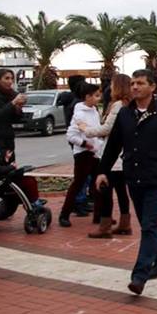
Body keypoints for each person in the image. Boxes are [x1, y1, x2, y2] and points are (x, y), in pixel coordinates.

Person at [96, 69, 157, 296]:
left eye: (140, 83)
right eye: (132, 83)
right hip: (134, 175)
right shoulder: (125, 113)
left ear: (153, 87)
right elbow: (114, 145)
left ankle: (140, 275)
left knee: (148, 224)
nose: (135, 87)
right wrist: (102, 171)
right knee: (149, 223)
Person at [76, 74, 132, 238]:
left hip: (113, 156)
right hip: (122, 155)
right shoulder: (129, 104)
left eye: (113, 85)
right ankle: (124, 223)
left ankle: (105, 226)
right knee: (121, 191)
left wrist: (86, 129)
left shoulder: (118, 105)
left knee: (105, 190)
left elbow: (107, 129)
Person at [59, 83, 104, 228]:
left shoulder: (95, 111)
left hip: (95, 153)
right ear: (87, 96)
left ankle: (99, 216)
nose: (99, 98)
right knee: (78, 184)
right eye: (96, 95)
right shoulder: (79, 114)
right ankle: (64, 215)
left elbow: (97, 131)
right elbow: (71, 135)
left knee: (97, 185)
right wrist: (84, 144)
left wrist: (98, 144)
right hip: (83, 154)